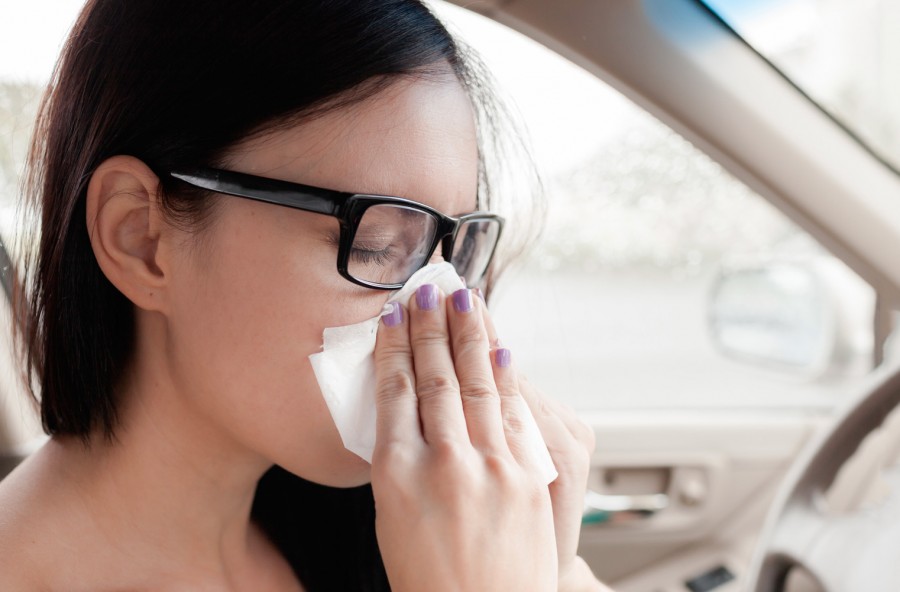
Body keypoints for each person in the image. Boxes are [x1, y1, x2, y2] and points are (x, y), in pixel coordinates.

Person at [0, 1, 608, 590]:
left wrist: (550, 572)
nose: (443, 304)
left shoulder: (392, 535)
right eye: (375, 244)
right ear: (141, 238)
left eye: (451, 250)